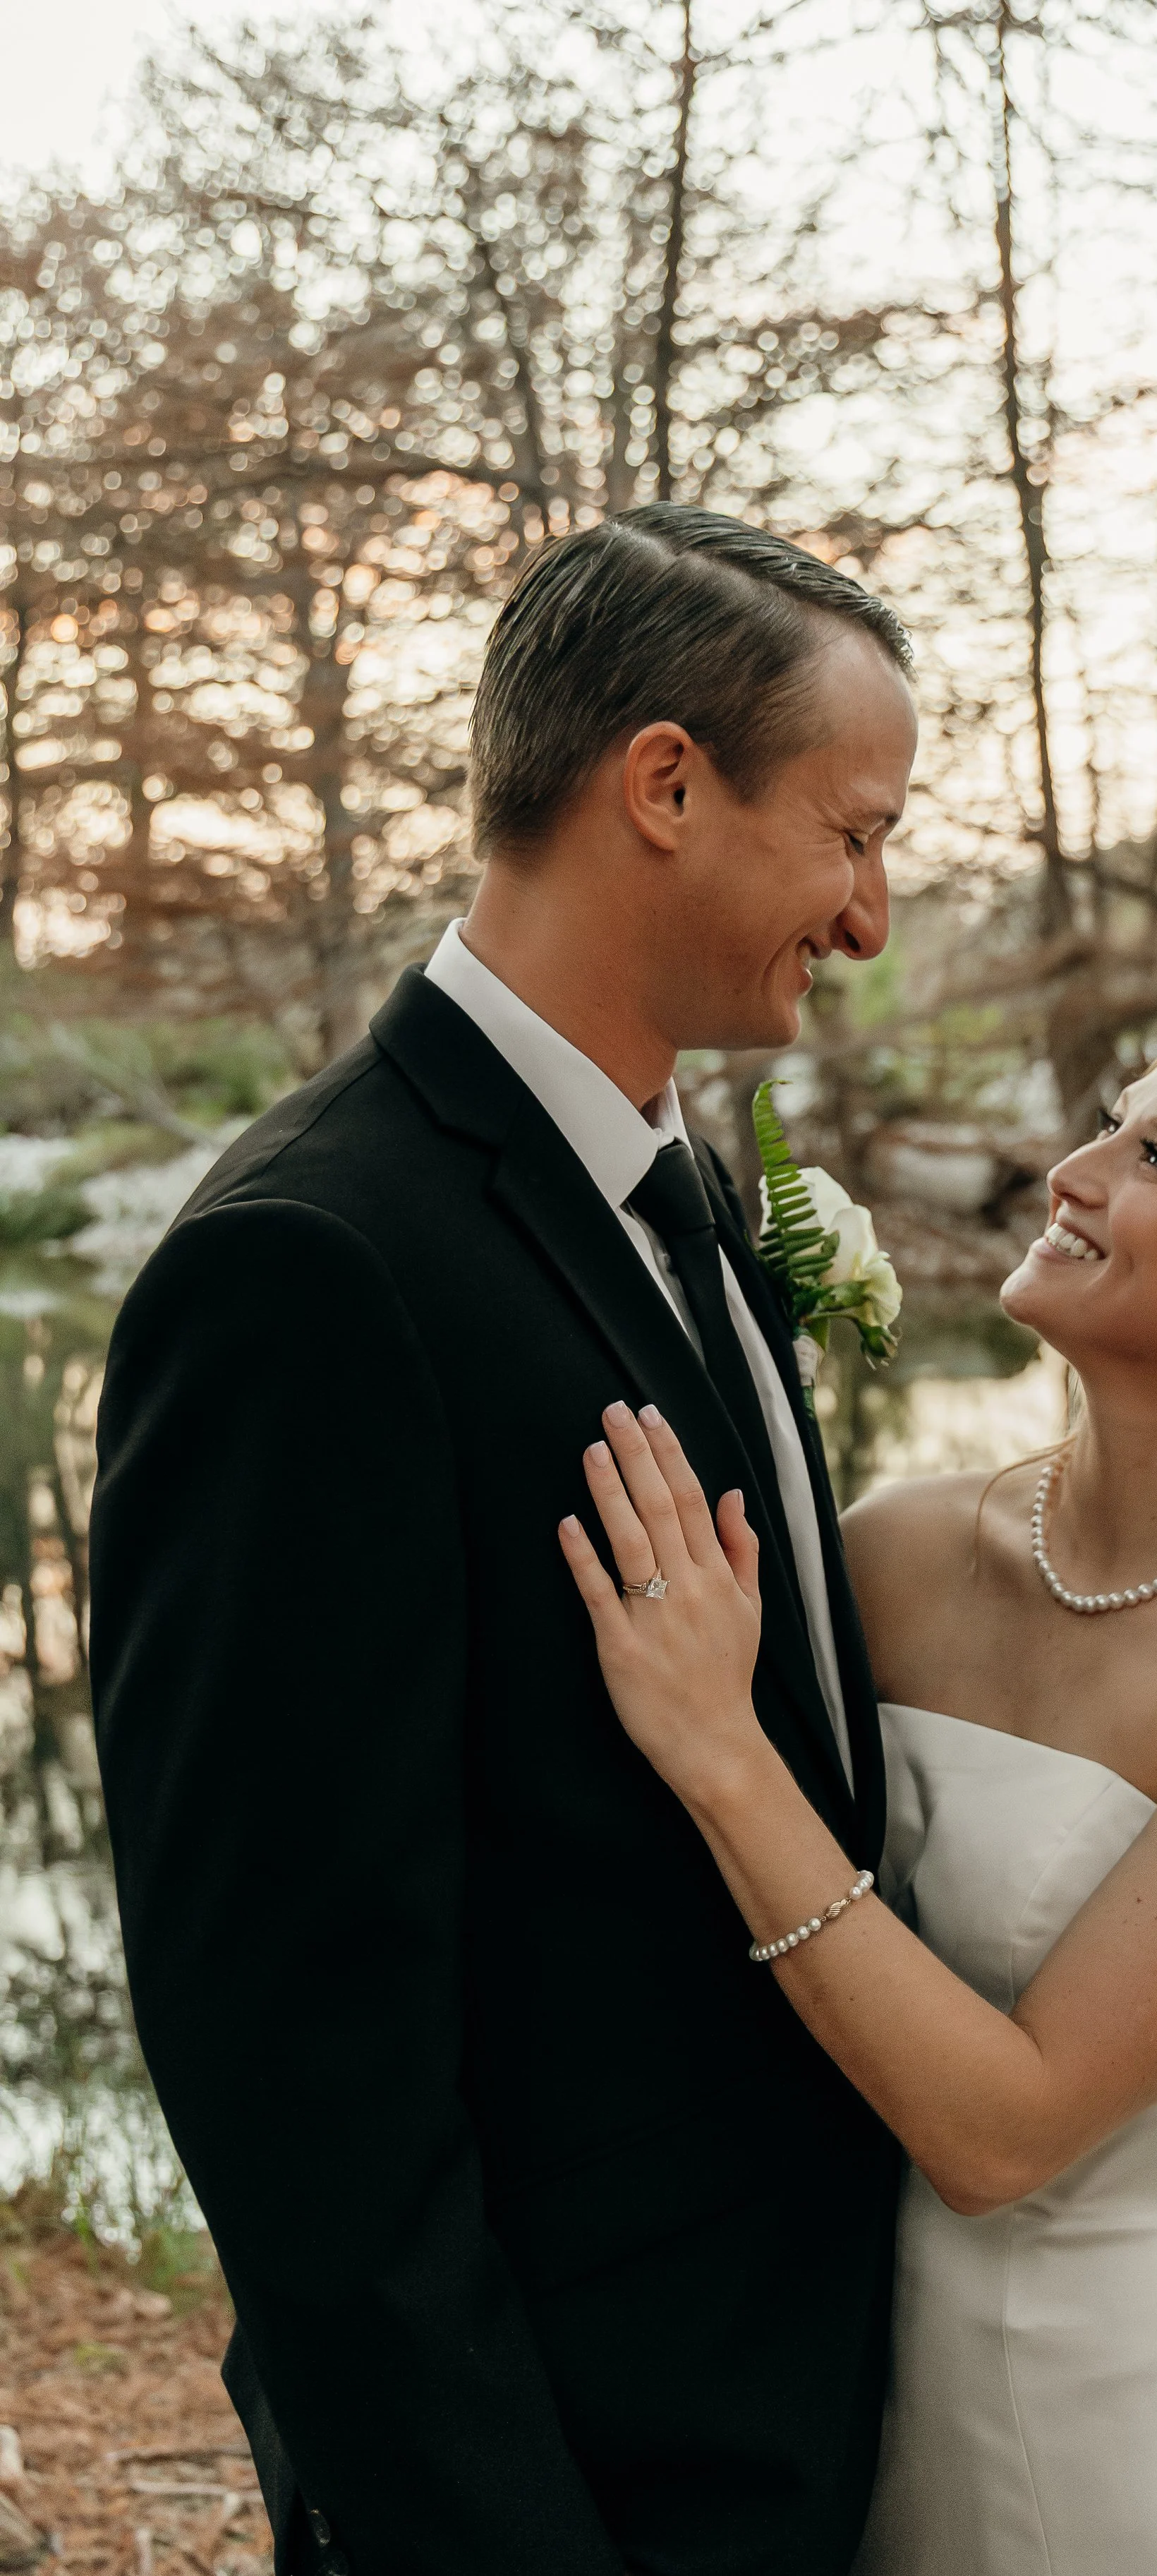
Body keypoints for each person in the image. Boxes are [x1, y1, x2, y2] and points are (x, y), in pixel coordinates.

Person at [89, 505, 920, 2576]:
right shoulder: (311, 1265)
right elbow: (295, 2064)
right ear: (661, 785)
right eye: (849, 832)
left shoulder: (695, 1199)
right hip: (565, 2488)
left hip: (791, 2436)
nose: (870, 915)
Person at [557, 1013, 1157, 2574]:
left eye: (1151, 1159)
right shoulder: (897, 1552)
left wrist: (721, 1754)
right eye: (1109, 1125)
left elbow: (1002, 2138)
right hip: (867, 2405)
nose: (1065, 1174)